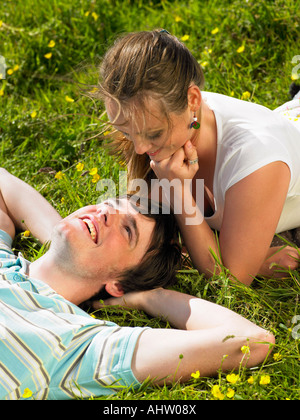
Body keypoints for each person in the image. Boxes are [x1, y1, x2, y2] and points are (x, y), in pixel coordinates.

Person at [0, 168, 274, 399]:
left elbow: (252, 341)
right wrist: (63, 234)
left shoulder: (80, 344)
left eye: (127, 230)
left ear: (118, 285)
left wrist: (151, 298)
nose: (104, 213)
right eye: (108, 204)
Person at [96, 29, 300, 286]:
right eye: (126, 131)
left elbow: (232, 279)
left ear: (193, 99)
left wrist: (179, 194)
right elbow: (149, 224)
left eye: (153, 133)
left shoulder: (255, 160)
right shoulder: (154, 121)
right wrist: (255, 261)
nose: (139, 148)